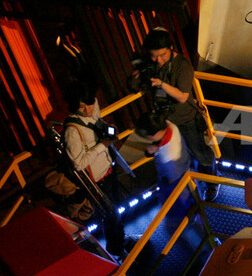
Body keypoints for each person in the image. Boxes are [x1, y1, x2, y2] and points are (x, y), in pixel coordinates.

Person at [133, 28, 219, 201]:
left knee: (200, 153)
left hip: (186, 119)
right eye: (154, 56)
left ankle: (213, 182)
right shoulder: (151, 64)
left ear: (171, 48)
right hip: (164, 119)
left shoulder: (183, 65)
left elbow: (182, 97)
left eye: (162, 55)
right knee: (177, 154)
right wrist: (137, 76)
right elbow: (135, 86)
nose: (158, 60)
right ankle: (188, 180)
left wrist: (161, 84)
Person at [63, 81, 126, 257]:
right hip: (97, 181)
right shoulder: (72, 132)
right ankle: (116, 251)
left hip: (109, 170)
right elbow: (78, 163)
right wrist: (101, 145)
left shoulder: (93, 106)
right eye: (81, 107)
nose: (88, 110)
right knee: (110, 216)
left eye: (89, 103)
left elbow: (97, 117)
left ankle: (120, 243)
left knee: (117, 210)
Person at [135, 112, 191, 189]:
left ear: (156, 134)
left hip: (177, 180)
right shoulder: (171, 126)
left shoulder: (167, 158)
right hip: (186, 164)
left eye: (147, 136)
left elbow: (175, 184)